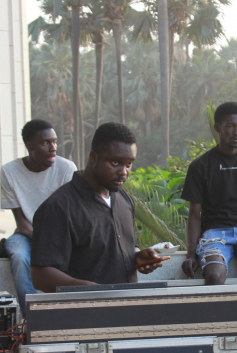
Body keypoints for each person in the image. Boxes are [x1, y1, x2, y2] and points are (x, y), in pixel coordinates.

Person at [30, 122, 162, 292]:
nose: (123, 172)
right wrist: (91, 290)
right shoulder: (57, 207)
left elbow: (122, 248)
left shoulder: (125, 201)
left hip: (128, 306)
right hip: (85, 308)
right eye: (115, 162)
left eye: (129, 164)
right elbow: (40, 276)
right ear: (94, 157)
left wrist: (137, 256)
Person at [180, 102, 237, 285]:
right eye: (231, 126)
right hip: (215, 234)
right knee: (214, 276)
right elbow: (194, 214)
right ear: (218, 128)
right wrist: (190, 254)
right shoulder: (200, 166)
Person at [0, 119, 76, 315]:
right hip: (26, 233)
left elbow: (70, 216)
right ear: (30, 145)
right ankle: (32, 317)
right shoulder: (9, 171)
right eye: (45, 143)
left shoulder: (67, 168)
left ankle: (67, 314)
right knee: (18, 254)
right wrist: (41, 241)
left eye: (55, 141)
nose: (53, 148)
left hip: (60, 234)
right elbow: (20, 221)